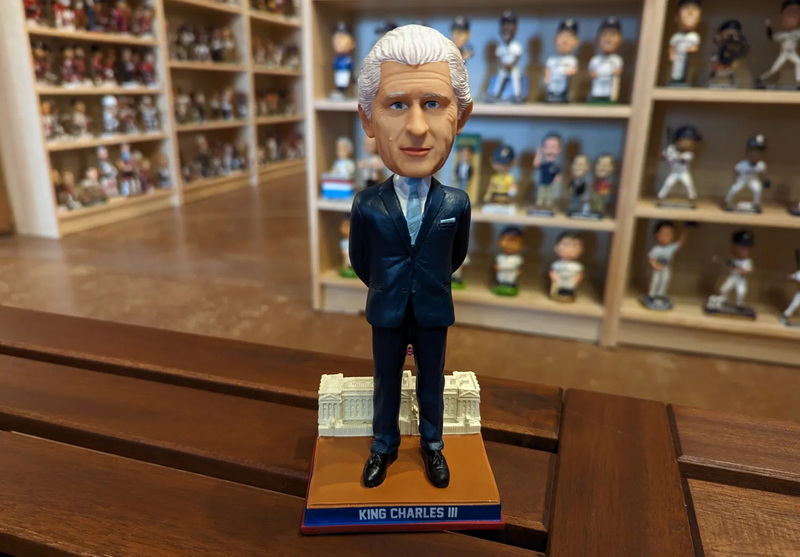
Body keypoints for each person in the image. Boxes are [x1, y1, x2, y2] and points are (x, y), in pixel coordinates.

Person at [349, 25, 473, 489]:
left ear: (461, 117)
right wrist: (390, 286)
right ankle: (383, 446)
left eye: (434, 104)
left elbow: (454, 255)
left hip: (434, 308)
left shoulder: (457, 203)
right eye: (397, 104)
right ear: (368, 119)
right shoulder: (367, 204)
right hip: (386, 308)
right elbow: (361, 259)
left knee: (432, 380)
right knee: (385, 380)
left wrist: (427, 284)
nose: (417, 127)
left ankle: (433, 445)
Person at [641, 221, 688, 311]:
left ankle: (661, 295)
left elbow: (681, 242)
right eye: (663, 234)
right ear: (657, 235)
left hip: (666, 268)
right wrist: (656, 266)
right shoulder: (656, 249)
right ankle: (652, 295)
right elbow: (652, 259)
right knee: (655, 281)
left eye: (669, 234)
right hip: (657, 269)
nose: (666, 237)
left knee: (665, 280)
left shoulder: (671, 247)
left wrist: (684, 230)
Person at [706, 230, 755, 314]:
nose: (743, 251)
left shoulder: (747, 261)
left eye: (746, 249)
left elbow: (747, 271)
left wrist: (738, 268)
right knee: (724, 289)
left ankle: (740, 305)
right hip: (733, 277)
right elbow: (726, 262)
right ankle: (723, 301)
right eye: (741, 248)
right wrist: (718, 260)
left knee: (741, 292)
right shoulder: (733, 259)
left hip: (741, 279)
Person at [759, 0, 800, 87]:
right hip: (784, 53)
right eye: (789, 12)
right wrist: (768, 27)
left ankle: (798, 81)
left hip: (792, 53)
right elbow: (771, 37)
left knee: (798, 63)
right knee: (774, 69)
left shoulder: (797, 33)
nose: (792, 16)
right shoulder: (781, 35)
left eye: (796, 12)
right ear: (782, 15)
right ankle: (761, 78)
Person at [657, 125, 701, 203]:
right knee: (668, 183)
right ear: (678, 141)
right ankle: (660, 196)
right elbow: (661, 157)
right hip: (674, 172)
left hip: (684, 173)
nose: (692, 144)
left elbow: (681, 159)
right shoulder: (670, 150)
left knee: (688, 184)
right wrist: (666, 153)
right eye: (689, 141)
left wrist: (673, 155)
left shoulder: (689, 154)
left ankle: (692, 197)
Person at [724, 135, 767, 212]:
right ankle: (728, 202)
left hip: (753, 180)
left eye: (759, 151)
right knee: (734, 189)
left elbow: (763, 174)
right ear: (748, 151)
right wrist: (735, 180)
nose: (756, 153)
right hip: (742, 179)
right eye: (753, 150)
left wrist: (764, 180)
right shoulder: (742, 164)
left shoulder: (761, 165)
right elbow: (735, 172)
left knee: (758, 189)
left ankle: (756, 205)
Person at [488, 11, 524, 102]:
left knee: (516, 76)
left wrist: (511, 65)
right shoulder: (501, 47)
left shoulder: (516, 45)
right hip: (504, 67)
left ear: (515, 28)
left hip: (512, 67)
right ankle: (495, 94)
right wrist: (503, 65)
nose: (507, 28)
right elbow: (498, 58)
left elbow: (517, 57)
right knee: (500, 76)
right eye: (505, 25)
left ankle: (517, 95)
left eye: (510, 25)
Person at [589, 17, 624, 102]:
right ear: (598, 39)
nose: (608, 39)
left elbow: (618, 73)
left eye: (613, 34)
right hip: (597, 90)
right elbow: (591, 73)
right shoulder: (595, 60)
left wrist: (616, 72)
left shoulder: (617, 60)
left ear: (620, 40)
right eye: (604, 34)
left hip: (610, 91)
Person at [545, 19, 579, 102]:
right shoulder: (551, 60)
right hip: (552, 85)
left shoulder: (572, 60)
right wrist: (546, 79)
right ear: (555, 40)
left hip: (563, 85)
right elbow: (548, 72)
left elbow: (574, 71)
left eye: (569, 37)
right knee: (552, 93)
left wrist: (568, 72)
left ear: (576, 42)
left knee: (562, 94)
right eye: (562, 36)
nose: (565, 40)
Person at [669, 0, 702, 85]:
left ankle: (685, 81)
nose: (690, 12)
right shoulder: (676, 37)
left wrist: (690, 52)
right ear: (676, 18)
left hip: (688, 59)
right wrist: (672, 55)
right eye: (686, 8)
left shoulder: (694, 37)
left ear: (699, 19)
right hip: (677, 57)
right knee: (676, 70)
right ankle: (675, 81)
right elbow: (672, 47)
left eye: (694, 9)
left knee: (688, 71)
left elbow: (695, 49)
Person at [532, 133, 563, 212]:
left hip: (550, 184)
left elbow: (558, 175)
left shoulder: (556, 166)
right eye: (547, 147)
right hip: (542, 183)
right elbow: (536, 164)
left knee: (549, 196)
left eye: (553, 147)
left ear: (559, 149)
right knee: (541, 195)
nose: (550, 151)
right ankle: (539, 205)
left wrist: (555, 181)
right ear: (543, 148)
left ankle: (548, 206)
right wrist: (538, 154)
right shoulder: (544, 165)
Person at [549, 232, 584, 302]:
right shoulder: (557, 264)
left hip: (570, 282)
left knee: (568, 290)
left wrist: (576, 279)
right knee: (559, 290)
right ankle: (558, 294)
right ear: (556, 247)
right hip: (559, 281)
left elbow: (579, 274)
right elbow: (553, 271)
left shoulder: (577, 266)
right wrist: (554, 277)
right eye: (566, 245)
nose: (570, 249)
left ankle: (569, 295)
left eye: (574, 245)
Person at [493, 227, 523, 296]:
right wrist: (497, 267)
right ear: (499, 242)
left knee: (510, 280)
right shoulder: (500, 257)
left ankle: (510, 287)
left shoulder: (517, 258)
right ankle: (500, 285)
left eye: (515, 242)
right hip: (502, 271)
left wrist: (519, 271)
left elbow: (520, 267)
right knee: (501, 279)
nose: (510, 245)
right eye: (507, 241)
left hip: (512, 272)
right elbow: (495, 264)